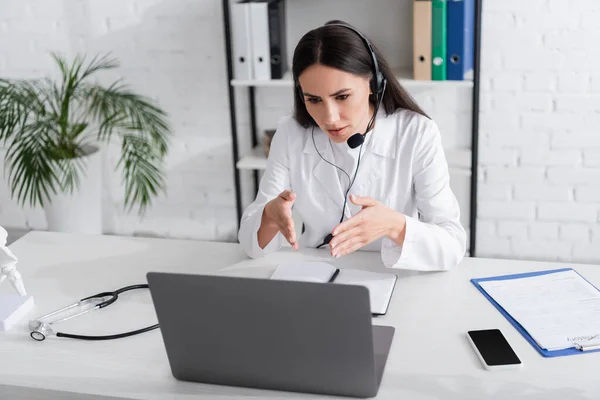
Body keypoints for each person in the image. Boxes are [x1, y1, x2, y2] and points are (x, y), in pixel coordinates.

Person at [237, 20, 467, 271]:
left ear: (374, 83)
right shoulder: (291, 134)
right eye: (313, 100)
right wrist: (270, 216)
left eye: (342, 97)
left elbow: (452, 245)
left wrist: (394, 225)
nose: (329, 118)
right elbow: (250, 246)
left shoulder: (416, 132)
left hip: (394, 276)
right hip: (317, 273)